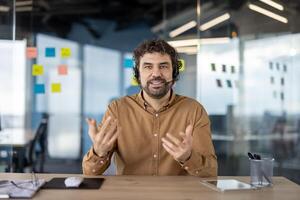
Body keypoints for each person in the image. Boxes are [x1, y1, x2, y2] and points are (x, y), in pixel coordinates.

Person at [82, 39, 217, 177]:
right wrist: (98, 152)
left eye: (163, 66)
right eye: (148, 67)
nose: (156, 74)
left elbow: (210, 173)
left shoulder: (194, 110)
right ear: (138, 74)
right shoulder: (117, 109)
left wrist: (188, 157)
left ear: (174, 72)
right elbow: (90, 173)